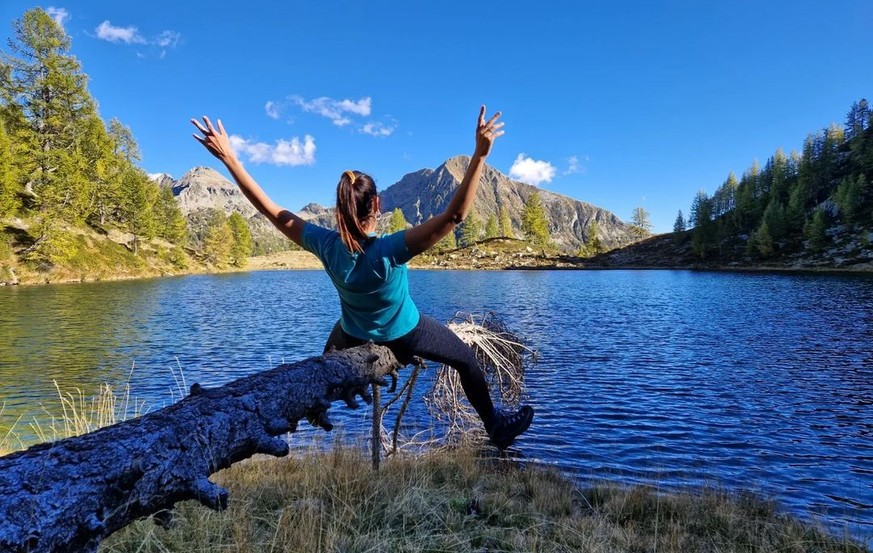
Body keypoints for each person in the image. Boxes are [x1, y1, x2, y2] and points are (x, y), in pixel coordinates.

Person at [191, 106, 533, 449]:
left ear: (340, 209)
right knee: (466, 360)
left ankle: (312, 408)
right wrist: (479, 155)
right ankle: (494, 425)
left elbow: (272, 211)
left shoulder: (325, 245)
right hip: (405, 334)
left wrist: (230, 159)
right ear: (377, 206)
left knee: (326, 358)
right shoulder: (391, 249)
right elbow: (455, 215)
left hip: (352, 333)